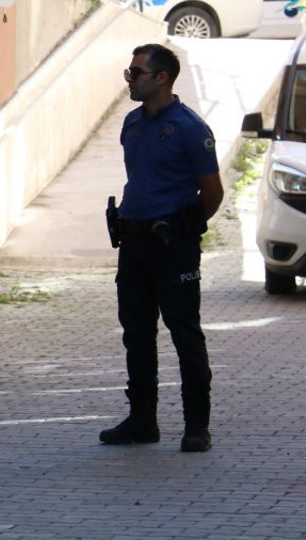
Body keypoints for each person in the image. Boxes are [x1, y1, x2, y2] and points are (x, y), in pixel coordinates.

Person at [101, 43, 221, 453]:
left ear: (162, 77)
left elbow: (212, 193)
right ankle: (142, 422)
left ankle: (196, 427)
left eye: (136, 73)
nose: (130, 80)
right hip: (133, 245)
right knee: (136, 334)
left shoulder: (190, 128)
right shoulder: (132, 123)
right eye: (130, 72)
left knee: (185, 333)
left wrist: (184, 230)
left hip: (172, 247)